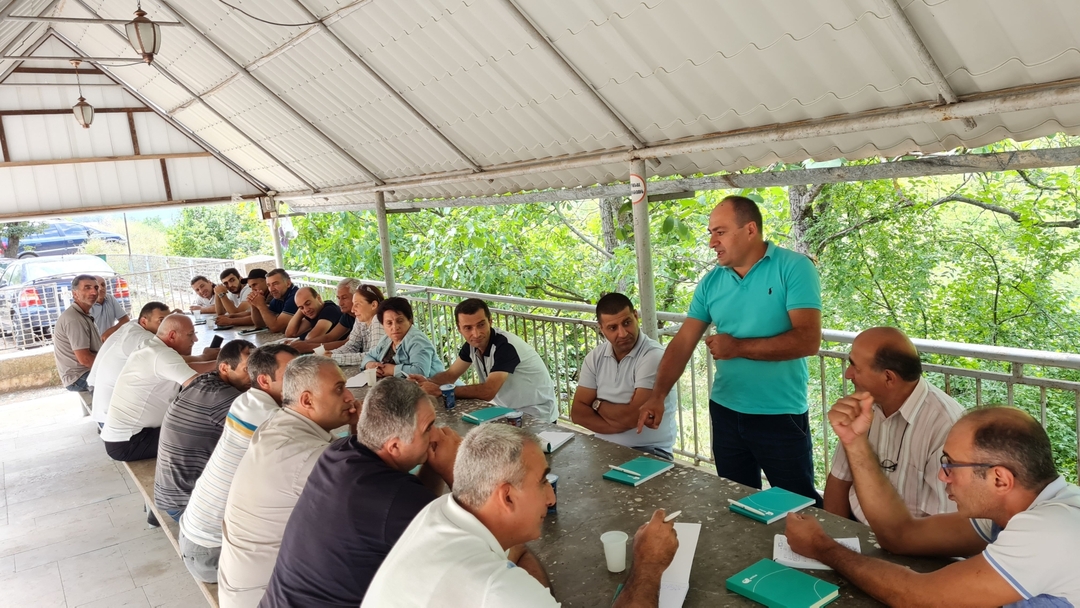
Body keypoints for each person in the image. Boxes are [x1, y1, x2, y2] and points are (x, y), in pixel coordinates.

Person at [785, 404, 1080, 606]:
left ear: (999, 479)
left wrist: (822, 547)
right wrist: (855, 441)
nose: (942, 476)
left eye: (951, 465)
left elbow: (920, 598)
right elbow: (900, 535)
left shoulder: (1051, 530)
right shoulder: (1011, 508)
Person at [363, 424, 680, 607]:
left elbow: (515, 551)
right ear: (507, 496)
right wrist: (649, 565)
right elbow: (506, 583)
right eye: (542, 482)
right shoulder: (497, 590)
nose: (551, 497)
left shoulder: (440, 512)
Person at [637, 196, 823, 505]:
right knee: (736, 503)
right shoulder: (711, 282)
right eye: (711, 233)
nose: (712, 242)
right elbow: (683, 342)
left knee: (796, 507)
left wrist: (738, 347)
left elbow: (808, 340)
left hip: (779, 413)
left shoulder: (793, 267)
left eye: (720, 232)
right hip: (725, 411)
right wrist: (657, 395)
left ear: (750, 230)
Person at [262, 377, 463, 606]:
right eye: (428, 429)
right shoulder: (394, 499)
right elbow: (470, 553)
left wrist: (433, 464)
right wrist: (454, 470)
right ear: (394, 446)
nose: (436, 435)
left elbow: (413, 508)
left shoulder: (339, 452)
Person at [217, 355, 358, 608]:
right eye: (339, 389)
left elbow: (350, 463)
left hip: (244, 587)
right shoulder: (304, 458)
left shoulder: (277, 424)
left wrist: (358, 428)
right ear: (307, 400)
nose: (350, 397)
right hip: (265, 597)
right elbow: (374, 495)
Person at [178, 343, 299, 584]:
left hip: (194, 536)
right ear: (264, 380)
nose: (302, 379)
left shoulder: (244, 401)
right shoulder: (272, 420)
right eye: (292, 374)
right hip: (213, 552)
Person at [823, 327, 964, 523]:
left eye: (855, 366)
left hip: (916, 538)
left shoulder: (946, 426)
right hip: (857, 526)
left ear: (888, 377)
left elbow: (947, 525)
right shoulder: (863, 404)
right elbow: (839, 480)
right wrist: (834, 533)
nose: (848, 374)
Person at [410, 298, 557, 423]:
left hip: (537, 415)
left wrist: (441, 390)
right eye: (468, 328)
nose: (476, 333)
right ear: (459, 329)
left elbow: (488, 391)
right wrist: (424, 383)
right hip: (508, 412)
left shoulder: (505, 346)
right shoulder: (472, 346)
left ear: (490, 321)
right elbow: (450, 375)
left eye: (481, 325)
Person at [154, 339, 255, 521]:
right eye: (247, 370)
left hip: (171, 495)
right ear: (224, 368)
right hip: (188, 505)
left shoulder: (204, 382)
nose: (255, 378)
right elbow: (273, 435)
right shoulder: (223, 397)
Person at [570, 293, 678, 459]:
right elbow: (577, 413)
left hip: (649, 451)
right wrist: (622, 423)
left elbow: (634, 417)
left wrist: (597, 404)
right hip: (602, 446)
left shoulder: (653, 356)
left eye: (627, 323)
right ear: (601, 328)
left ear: (636, 316)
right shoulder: (595, 357)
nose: (622, 333)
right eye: (613, 328)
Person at [100, 314, 216, 462]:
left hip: (130, 436)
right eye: (190, 335)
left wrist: (222, 364)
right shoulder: (161, 355)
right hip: (130, 441)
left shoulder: (152, 347)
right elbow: (201, 388)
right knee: (210, 434)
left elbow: (187, 368)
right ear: (172, 335)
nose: (195, 339)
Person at [87, 301, 170, 428]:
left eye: (168, 320)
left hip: (101, 393)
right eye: (161, 321)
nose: (167, 326)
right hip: (112, 416)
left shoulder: (134, 325)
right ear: (144, 321)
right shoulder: (141, 337)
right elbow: (171, 362)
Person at [360, 297, 444, 379]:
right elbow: (369, 356)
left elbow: (421, 372)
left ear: (410, 321)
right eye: (389, 323)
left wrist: (392, 370)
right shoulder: (386, 339)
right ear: (383, 325)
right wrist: (370, 364)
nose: (395, 327)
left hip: (432, 386)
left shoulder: (417, 341)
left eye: (400, 321)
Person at [52, 274, 102, 393]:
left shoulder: (82, 314)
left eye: (96, 288)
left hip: (84, 372)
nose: (94, 292)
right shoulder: (74, 319)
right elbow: (85, 359)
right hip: (79, 376)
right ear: (75, 294)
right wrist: (110, 367)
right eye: (87, 288)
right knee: (122, 378)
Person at [328, 283, 385, 366]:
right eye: (353, 304)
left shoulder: (379, 319)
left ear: (373, 305)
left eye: (357, 304)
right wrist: (331, 353)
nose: (352, 310)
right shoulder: (361, 319)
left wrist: (333, 358)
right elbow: (352, 346)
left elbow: (374, 356)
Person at [249, 268, 299, 333]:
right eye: (268, 285)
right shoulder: (277, 298)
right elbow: (261, 325)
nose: (271, 289)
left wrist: (261, 305)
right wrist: (254, 305)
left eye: (275, 284)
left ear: (288, 283)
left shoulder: (295, 297)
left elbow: (276, 327)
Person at [90, 276, 129, 341]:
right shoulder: (87, 305)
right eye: (97, 286)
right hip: (93, 344)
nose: (101, 288)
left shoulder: (110, 299)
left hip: (110, 341)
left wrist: (112, 330)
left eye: (103, 285)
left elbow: (125, 319)